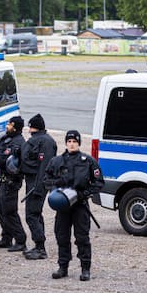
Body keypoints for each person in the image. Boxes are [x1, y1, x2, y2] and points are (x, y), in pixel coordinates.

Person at [44, 130, 104, 281]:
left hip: (80, 206)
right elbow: (46, 179)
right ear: (65, 143)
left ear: (79, 143)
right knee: (62, 236)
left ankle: (85, 268)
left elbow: (98, 182)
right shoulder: (56, 161)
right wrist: (56, 187)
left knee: (82, 237)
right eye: (69, 141)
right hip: (63, 206)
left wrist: (84, 193)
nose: (72, 144)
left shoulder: (88, 161)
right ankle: (63, 267)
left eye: (75, 142)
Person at [19, 113, 57, 260]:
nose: (28, 130)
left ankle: (40, 248)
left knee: (32, 215)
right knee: (35, 213)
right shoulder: (40, 140)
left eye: (30, 127)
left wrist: (39, 186)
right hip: (33, 181)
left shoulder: (45, 142)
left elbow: (45, 166)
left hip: (36, 183)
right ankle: (38, 244)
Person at [0, 116, 27, 251]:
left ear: (15, 127)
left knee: (10, 211)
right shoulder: (6, 138)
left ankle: (20, 240)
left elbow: (3, 159)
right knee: (1, 211)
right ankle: (7, 238)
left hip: (11, 182)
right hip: (3, 181)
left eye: (10, 124)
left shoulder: (18, 142)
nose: (7, 126)